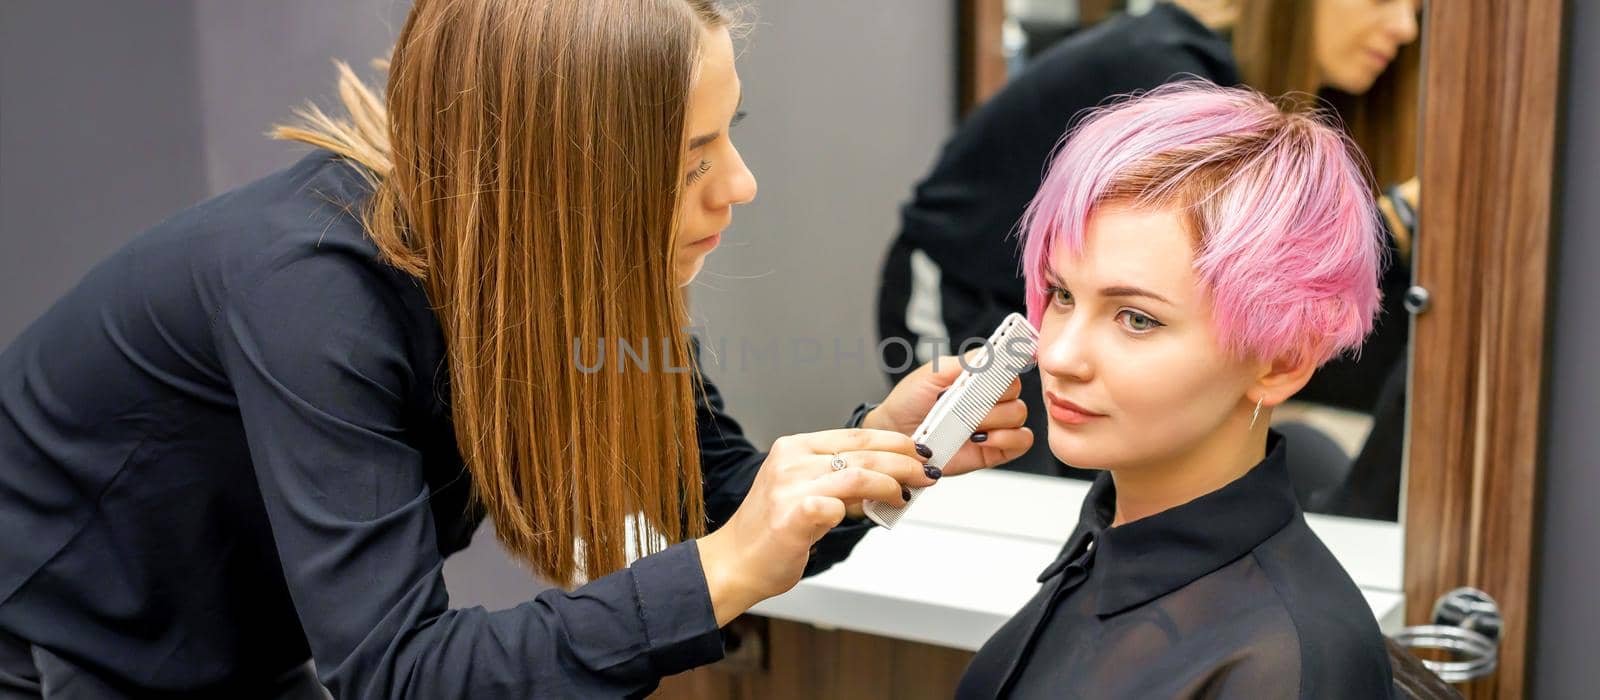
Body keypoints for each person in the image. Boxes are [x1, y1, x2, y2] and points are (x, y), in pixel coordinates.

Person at [0, 1, 1032, 697]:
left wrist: (877, 456)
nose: (739, 186)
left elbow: (716, 495)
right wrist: (719, 571)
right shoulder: (310, 291)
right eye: (689, 161)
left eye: (730, 133)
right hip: (55, 653)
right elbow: (402, 673)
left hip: (239, 646)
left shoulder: (563, 273)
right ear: (558, 172)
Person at [954, 83, 1394, 698]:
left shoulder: (1281, 664)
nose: (1055, 355)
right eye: (1061, 295)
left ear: (1280, 361)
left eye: (1137, 318)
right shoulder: (1111, 535)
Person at [878, 0, 1420, 477]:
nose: (1404, 28)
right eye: (1379, 0)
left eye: (1415, 10)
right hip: (959, 283)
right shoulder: (1172, 76)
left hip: (1068, 303)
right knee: (1012, 483)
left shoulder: (1246, 95)